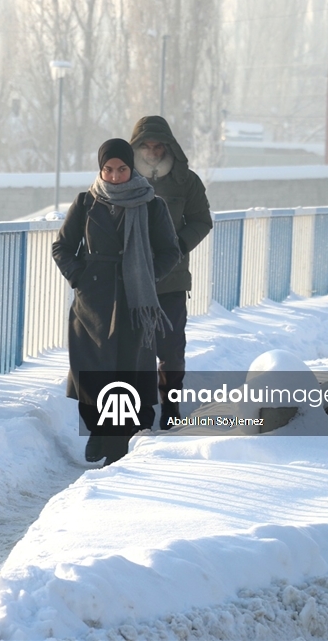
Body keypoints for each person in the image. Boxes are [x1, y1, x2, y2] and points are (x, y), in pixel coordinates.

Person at [52, 139, 181, 465]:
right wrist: (80, 278)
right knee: (91, 372)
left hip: (134, 303)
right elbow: (62, 247)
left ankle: (117, 447)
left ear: (131, 168)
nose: (114, 176)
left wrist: (146, 277)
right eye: (108, 169)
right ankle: (98, 431)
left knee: (127, 373)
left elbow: (170, 252)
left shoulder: (151, 205)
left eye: (121, 169)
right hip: (93, 303)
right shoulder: (85, 203)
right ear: (100, 170)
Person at [129, 116, 213, 429]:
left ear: (169, 147)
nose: (152, 152)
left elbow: (201, 221)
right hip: (131, 281)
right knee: (134, 351)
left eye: (158, 146)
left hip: (172, 279)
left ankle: (171, 409)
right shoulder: (121, 176)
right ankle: (140, 414)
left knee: (172, 351)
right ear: (136, 148)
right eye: (146, 146)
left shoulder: (186, 181)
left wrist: (175, 247)